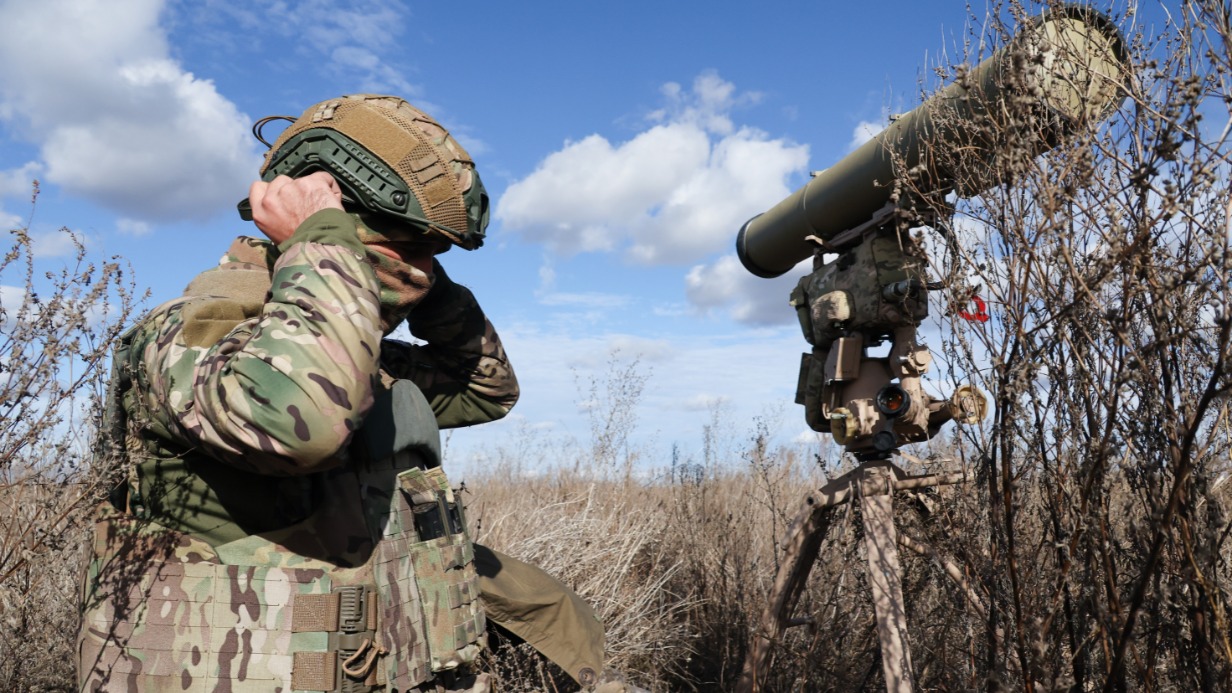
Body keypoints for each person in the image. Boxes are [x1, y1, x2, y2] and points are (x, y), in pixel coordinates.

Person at [78, 94, 609, 692]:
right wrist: (323, 237)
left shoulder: (354, 359)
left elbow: (484, 388)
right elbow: (297, 420)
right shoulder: (193, 334)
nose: (420, 272)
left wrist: (433, 293)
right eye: (406, 251)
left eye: (432, 258)